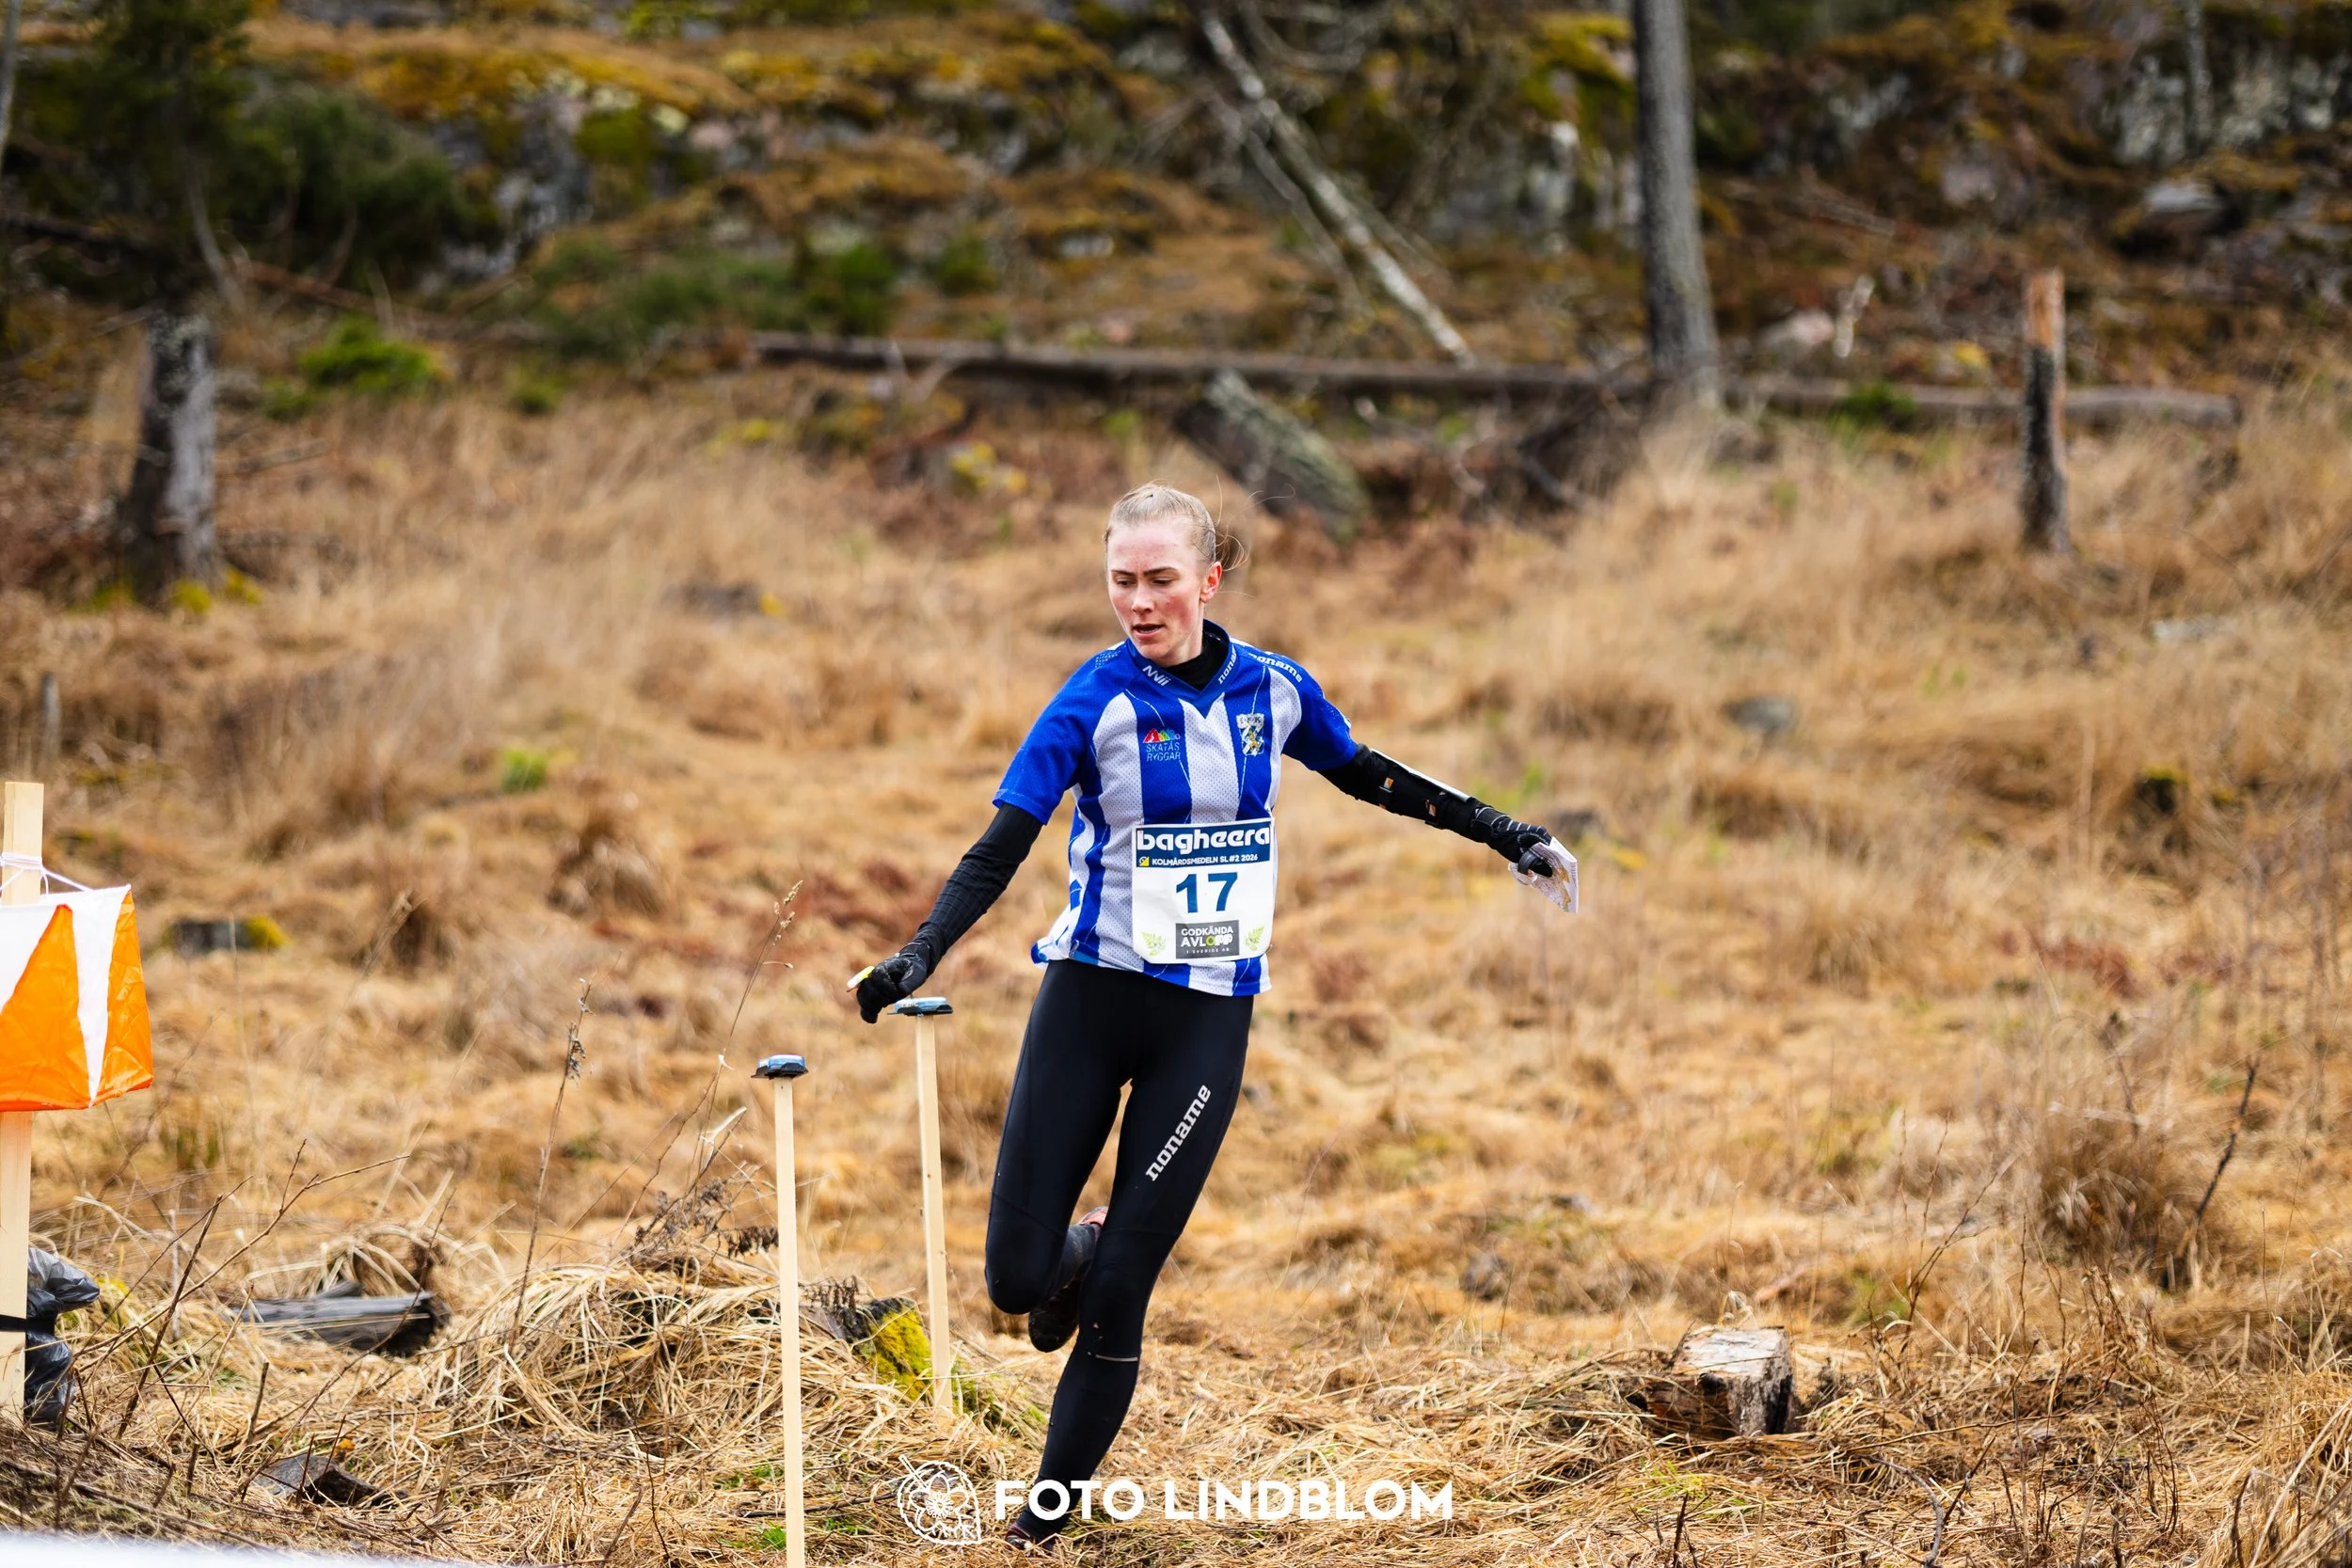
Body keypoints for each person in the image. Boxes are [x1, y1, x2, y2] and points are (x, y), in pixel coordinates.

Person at [850, 483, 1559, 1551]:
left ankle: (1038, 1526)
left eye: (1159, 579)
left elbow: (1372, 774)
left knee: (1121, 1294)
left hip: (1205, 1020)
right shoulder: (1090, 700)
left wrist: (1507, 832)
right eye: (1120, 580)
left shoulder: (1273, 689)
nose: (1138, 600)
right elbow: (1000, 844)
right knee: (1018, 1280)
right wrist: (918, 950)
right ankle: (1075, 1246)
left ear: (1207, 579)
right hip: (1091, 994)